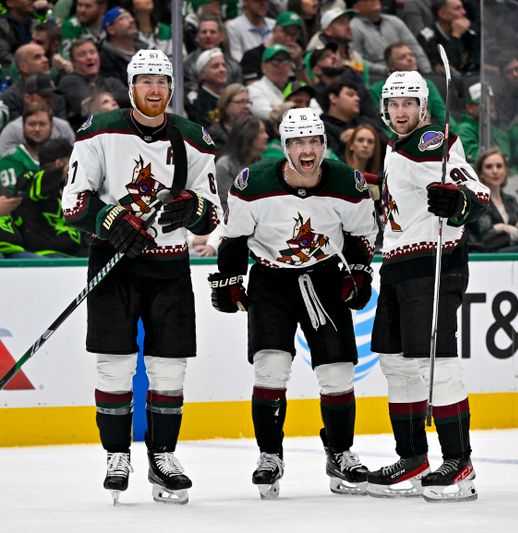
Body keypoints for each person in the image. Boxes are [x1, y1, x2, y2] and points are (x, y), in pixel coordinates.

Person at [61, 49, 221, 505]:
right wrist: (110, 220)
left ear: (171, 88)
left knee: (169, 367)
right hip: (113, 260)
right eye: (146, 81)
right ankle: (117, 454)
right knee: (113, 362)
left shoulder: (193, 138)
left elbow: (213, 215)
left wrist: (194, 209)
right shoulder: (99, 131)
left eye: (162, 81)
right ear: (131, 87)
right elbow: (74, 201)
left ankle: (164, 456)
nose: (154, 90)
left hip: (169, 265)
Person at [208, 107, 378, 500]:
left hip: (324, 278)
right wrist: (231, 280)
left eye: (314, 141)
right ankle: (270, 455)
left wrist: (359, 272)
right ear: (284, 147)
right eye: (298, 142)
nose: (307, 149)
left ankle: (340, 452)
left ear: (324, 144)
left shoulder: (346, 182)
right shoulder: (254, 182)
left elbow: (359, 237)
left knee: (337, 372)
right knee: (271, 368)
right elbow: (233, 239)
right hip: (271, 281)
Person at [366, 70, 487, 502]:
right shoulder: (395, 148)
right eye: (394, 105)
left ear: (423, 108)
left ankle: (459, 461)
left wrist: (458, 202)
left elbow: (476, 190)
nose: (401, 112)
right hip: (397, 266)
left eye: (408, 104)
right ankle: (413, 459)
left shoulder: (432, 140)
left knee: (434, 364)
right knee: (396, 364)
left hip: (433, 263)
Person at [466, 149, 518, 253]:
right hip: (486, 258)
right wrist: (504, 228)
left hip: (511, 254)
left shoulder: (511, 200)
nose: (495, 171)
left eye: (499, 166)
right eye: (489, 167)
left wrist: (500, 229)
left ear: (505, 171)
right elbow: (484, 238)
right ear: (480, 173)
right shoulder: (477, 201)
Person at [214, 115, 268, 209]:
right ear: (249, 135)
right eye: (261, 132)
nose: (266, 136)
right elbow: (227, 202)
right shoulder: (225, 165)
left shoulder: (262, 164)